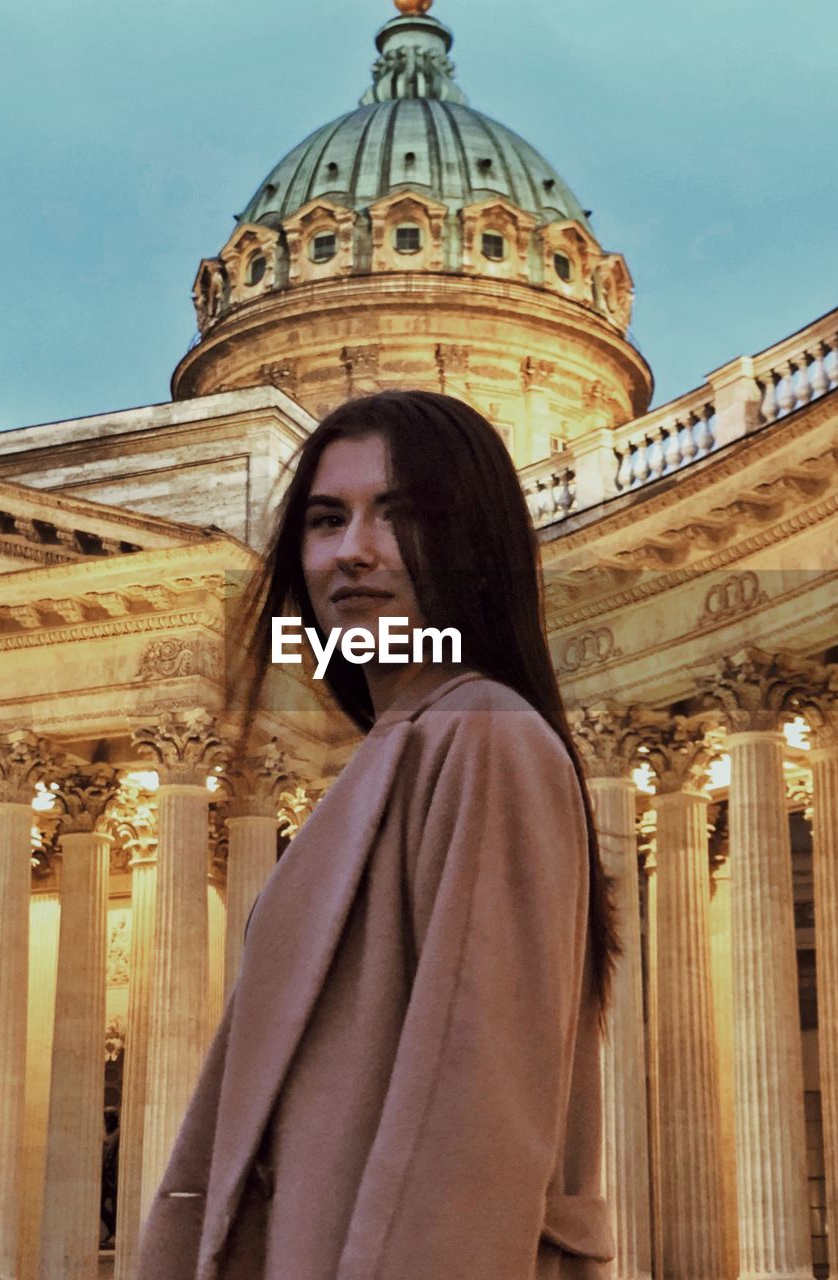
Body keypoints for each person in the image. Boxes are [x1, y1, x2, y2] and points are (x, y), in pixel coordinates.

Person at [137, 390, 618, 1280]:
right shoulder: (397, 753)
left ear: (477, 548)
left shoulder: (483, 737)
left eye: (404, 517)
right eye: (326, 520)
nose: (354, 551)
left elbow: (468, 1126)